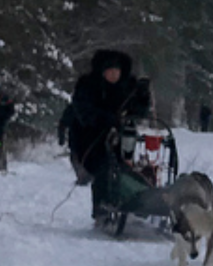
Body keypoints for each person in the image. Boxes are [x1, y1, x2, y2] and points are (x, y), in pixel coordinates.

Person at [58, 49, 152, 213]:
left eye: (117, 71)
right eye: (110, 71)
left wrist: (143, 96)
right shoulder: (87, 86)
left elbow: (139, 112)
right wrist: (105, 119)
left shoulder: (127, 87)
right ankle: (102, 207)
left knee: (128, 170)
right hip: (89, 142)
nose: (114, 75)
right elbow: (83, 111)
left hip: (120, 142)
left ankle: (138, 202)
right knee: (104, 168)